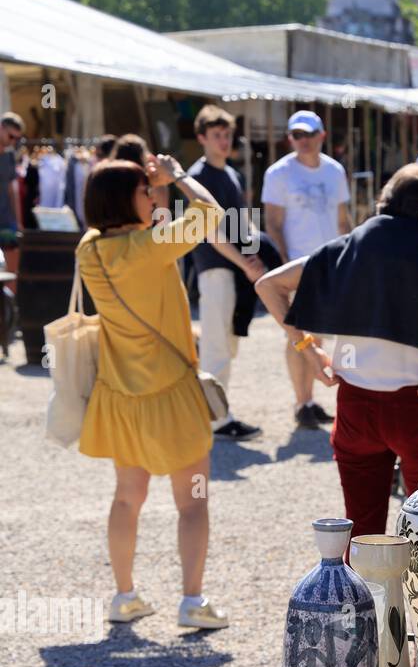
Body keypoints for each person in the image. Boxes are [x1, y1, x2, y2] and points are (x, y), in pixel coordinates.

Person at [256, 163, 418, 539]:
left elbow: (268, 284)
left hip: (355, 406)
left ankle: (365, 598)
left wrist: (309, 350)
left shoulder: (348, 245)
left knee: (362, 531)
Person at [76, 154, 230, 628]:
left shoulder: (89, 249)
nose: (153, 197)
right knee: (194, 500)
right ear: (129, 199)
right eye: (146, 191)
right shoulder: (151, 245)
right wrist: (179, 176)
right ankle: (192, 600)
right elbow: (210, 214)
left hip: (120, 395)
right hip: (171, 394)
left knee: (126, 498)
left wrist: (154, 186)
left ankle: (124, 596)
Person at [261, 109, 352, 429]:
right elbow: (273, 224)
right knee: (298, 336)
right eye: (297, 135)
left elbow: (343, 220)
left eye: (308, 134)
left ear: (321, 136)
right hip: (297, 265)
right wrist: (286, 266)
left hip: (331, 263)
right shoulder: (279, 173)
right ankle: (302, 402)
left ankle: (311, 400)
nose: (303, 141)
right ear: (290, 138)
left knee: (321, 335)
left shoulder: (334, 170)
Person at [188, 104, 267, 442]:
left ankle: (212, 414)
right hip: (215, 268)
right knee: (217, 346)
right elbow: (209, 232)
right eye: (216, 135)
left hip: (233, 268)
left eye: (227, 135)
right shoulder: (199, 176)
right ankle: (215, 420)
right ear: (202, 137)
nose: (223, 141)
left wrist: (255, 256)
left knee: (226, 342)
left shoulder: (230, 174)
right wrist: (244, 261)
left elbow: (242, 224)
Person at [0, 112, 23, 294]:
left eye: (17, 138)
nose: (13, 141)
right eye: (11, 136)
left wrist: (18, 219)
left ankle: (10, 313)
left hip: (6, 221)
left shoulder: (8, 157)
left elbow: (12, 190)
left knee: (12, 270)